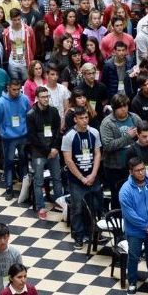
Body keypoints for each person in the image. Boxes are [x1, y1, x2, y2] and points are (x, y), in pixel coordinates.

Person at [119, 157, 148, 295]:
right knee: (133, 256)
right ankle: (132, 282)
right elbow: (129, 214)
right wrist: (146, 226)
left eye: (143, 169)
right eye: (137, 170)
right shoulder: (125, 190)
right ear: (131, 172)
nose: (141, 173)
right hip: (135, 231)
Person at [61, 107, 103, 250]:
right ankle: (78, 236)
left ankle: (95, 231)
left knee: (96, 205)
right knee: (77, 208)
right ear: (75, 119)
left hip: (93, 176)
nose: (85, 121)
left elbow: (97, 154)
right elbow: (68, 160)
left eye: (86, 117)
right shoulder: (69, 136)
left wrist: (93, 175)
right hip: (76, 180)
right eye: (82, 118)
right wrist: (81, 178)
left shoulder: (94, 132)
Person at [26, 86, 64, 219]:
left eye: (47, 96)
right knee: (38, 181)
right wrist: (48, 151)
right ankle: (41, 206)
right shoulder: (31, 114)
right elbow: (32, 138)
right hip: (39, 152)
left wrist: (54, 148)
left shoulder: (54, 111)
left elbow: (58, 132)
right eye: (43, 97)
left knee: (57, 178)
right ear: (37, 98)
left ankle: (60, 202)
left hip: (53, 149)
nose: (46, 99)